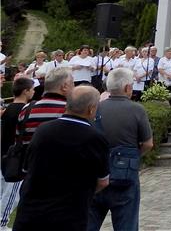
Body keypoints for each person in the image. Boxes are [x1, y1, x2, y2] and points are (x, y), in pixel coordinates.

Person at [12, 86, 109, 231]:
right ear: (91, 109)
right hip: (69, 214)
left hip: (32, 211)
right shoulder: (95, 138)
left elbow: (27, 168)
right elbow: (103, 181)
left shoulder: (43, 130)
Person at [88, 68, 153, 231]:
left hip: (96, 173)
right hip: (125, 172)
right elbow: (148, 143)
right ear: (127, 88)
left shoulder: (96, 108)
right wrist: (136, 155)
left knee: (89, 221)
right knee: (126, 223)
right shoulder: (137, 109)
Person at [0, 78, 35, 230]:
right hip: (15, 157)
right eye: (32, 89)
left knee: (3, 190)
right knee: (12, 193)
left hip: (4, 152)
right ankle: (2, 222)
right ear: (25, 91)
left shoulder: (8, 109)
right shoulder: (24, 110)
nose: (33, 91)